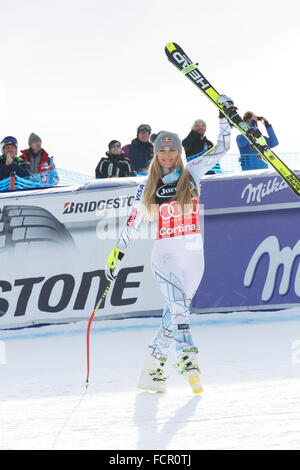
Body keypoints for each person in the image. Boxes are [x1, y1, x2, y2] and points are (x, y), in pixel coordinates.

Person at [104, 95, 233, 394]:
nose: (166, 154)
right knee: (180, 313)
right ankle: (188, 360)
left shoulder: (193, 172)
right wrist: (118, 253)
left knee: (174, 313)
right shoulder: (147, 185)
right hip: (165, 257)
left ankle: (152, 367)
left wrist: (225, 117)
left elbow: (224, 148)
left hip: (194, 257)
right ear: (155, 153)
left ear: (179, 151)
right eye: (161, 150)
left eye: (171, 149)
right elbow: (134, 220)